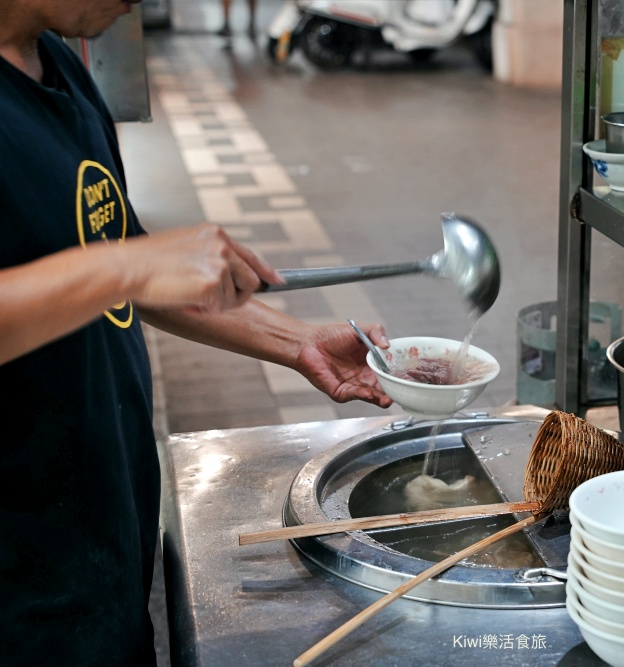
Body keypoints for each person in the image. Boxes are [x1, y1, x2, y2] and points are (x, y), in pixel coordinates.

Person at [0, 1, 392, 664]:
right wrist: (125, 261)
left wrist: (291, 340)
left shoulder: (59, 62)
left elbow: (115, 263)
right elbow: (118, 264)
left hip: (97, 549)